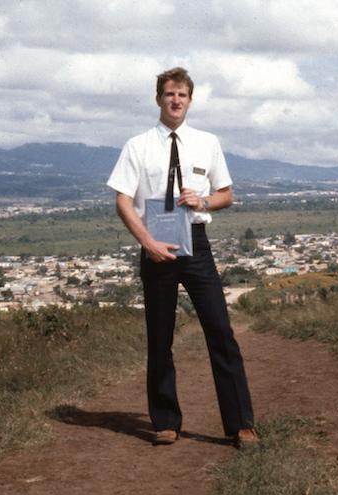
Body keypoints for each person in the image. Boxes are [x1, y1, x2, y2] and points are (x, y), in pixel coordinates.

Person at [107, 67, 258, 447]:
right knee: (159, 337)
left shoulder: (207, 143)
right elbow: (123, 200)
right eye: (170, 94)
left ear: (190, 100)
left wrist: (204, 200)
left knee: (221, 332)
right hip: (155, 244)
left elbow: (227, 194)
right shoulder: (137, 146)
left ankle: (241, 423)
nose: (176, 101)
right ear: (158, 98)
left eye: (183, 95)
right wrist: (148, 243)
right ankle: (165, 421)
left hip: (196, 243)